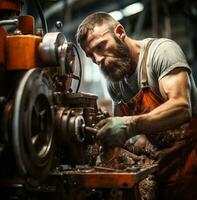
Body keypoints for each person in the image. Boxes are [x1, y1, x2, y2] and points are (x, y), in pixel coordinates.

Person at [75, 11, 197, 200]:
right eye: (90, 55)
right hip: (162, 164)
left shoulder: (161, 53)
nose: (97, 59)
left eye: (101, 46)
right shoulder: (114, 81)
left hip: (191, 160)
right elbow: (123, 135)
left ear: (120, 32)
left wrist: (130, 125)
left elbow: (181, 107)